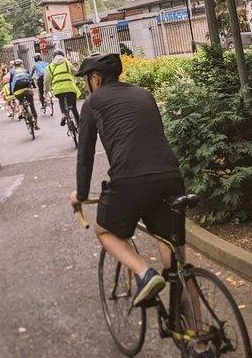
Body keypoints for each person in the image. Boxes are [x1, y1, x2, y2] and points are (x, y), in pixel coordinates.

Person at [69, 53, 185, 312]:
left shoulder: (92, 102)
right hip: (170, 176)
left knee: (104, 230)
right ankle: (195, 335)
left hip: (130, 180)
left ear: (95, 79)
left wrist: (81, 194)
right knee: (174, 252)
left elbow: (85, 154)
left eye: (86, 80)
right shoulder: (144, 94)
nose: (86, 86)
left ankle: (145, 274)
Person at [47, 49, 81, 128]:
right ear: (63, 55)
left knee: (61, 100)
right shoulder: (67, 62)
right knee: (73, 108)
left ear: (53, 57)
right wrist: (79, 79)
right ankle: (79, 126)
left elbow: (46, 80)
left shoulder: (50, 66)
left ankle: (64, 114)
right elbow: (75, 72)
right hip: (70, 87)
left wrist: (46, 90)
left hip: (58, 89)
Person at [9, 58, 39, 129]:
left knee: (20, 101)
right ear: (21, 64)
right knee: (32, 106)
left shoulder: (12, 72)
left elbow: (11, 83)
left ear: (15, 65)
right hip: (27, 90)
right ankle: (36, 124)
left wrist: (11, 92)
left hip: (17, 91)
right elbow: (30, 80)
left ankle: (20, 112)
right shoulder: (25, 70)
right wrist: (33, 87)